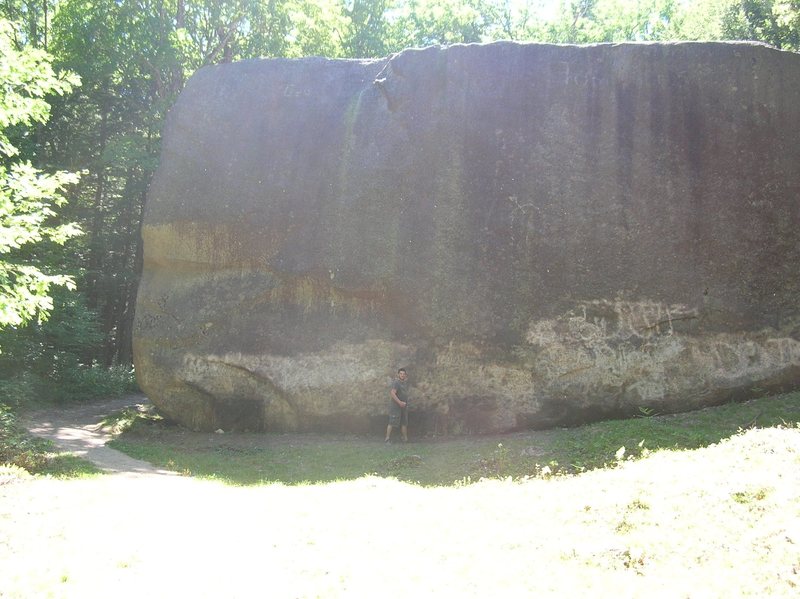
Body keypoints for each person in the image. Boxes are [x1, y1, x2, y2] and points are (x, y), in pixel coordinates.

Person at [385, 368, 409, 443]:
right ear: (398, 374)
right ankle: (387, 439)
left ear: (405, 375)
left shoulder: (404, 383)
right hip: (396, 407)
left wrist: (404, 403)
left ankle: (405, 439)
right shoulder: (396, 383)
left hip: (403, 407)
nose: (402, 375)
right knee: (392, 422)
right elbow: (392, 393)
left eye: (403, 374)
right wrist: (399, 402)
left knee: (404, 422)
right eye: (401, 374)